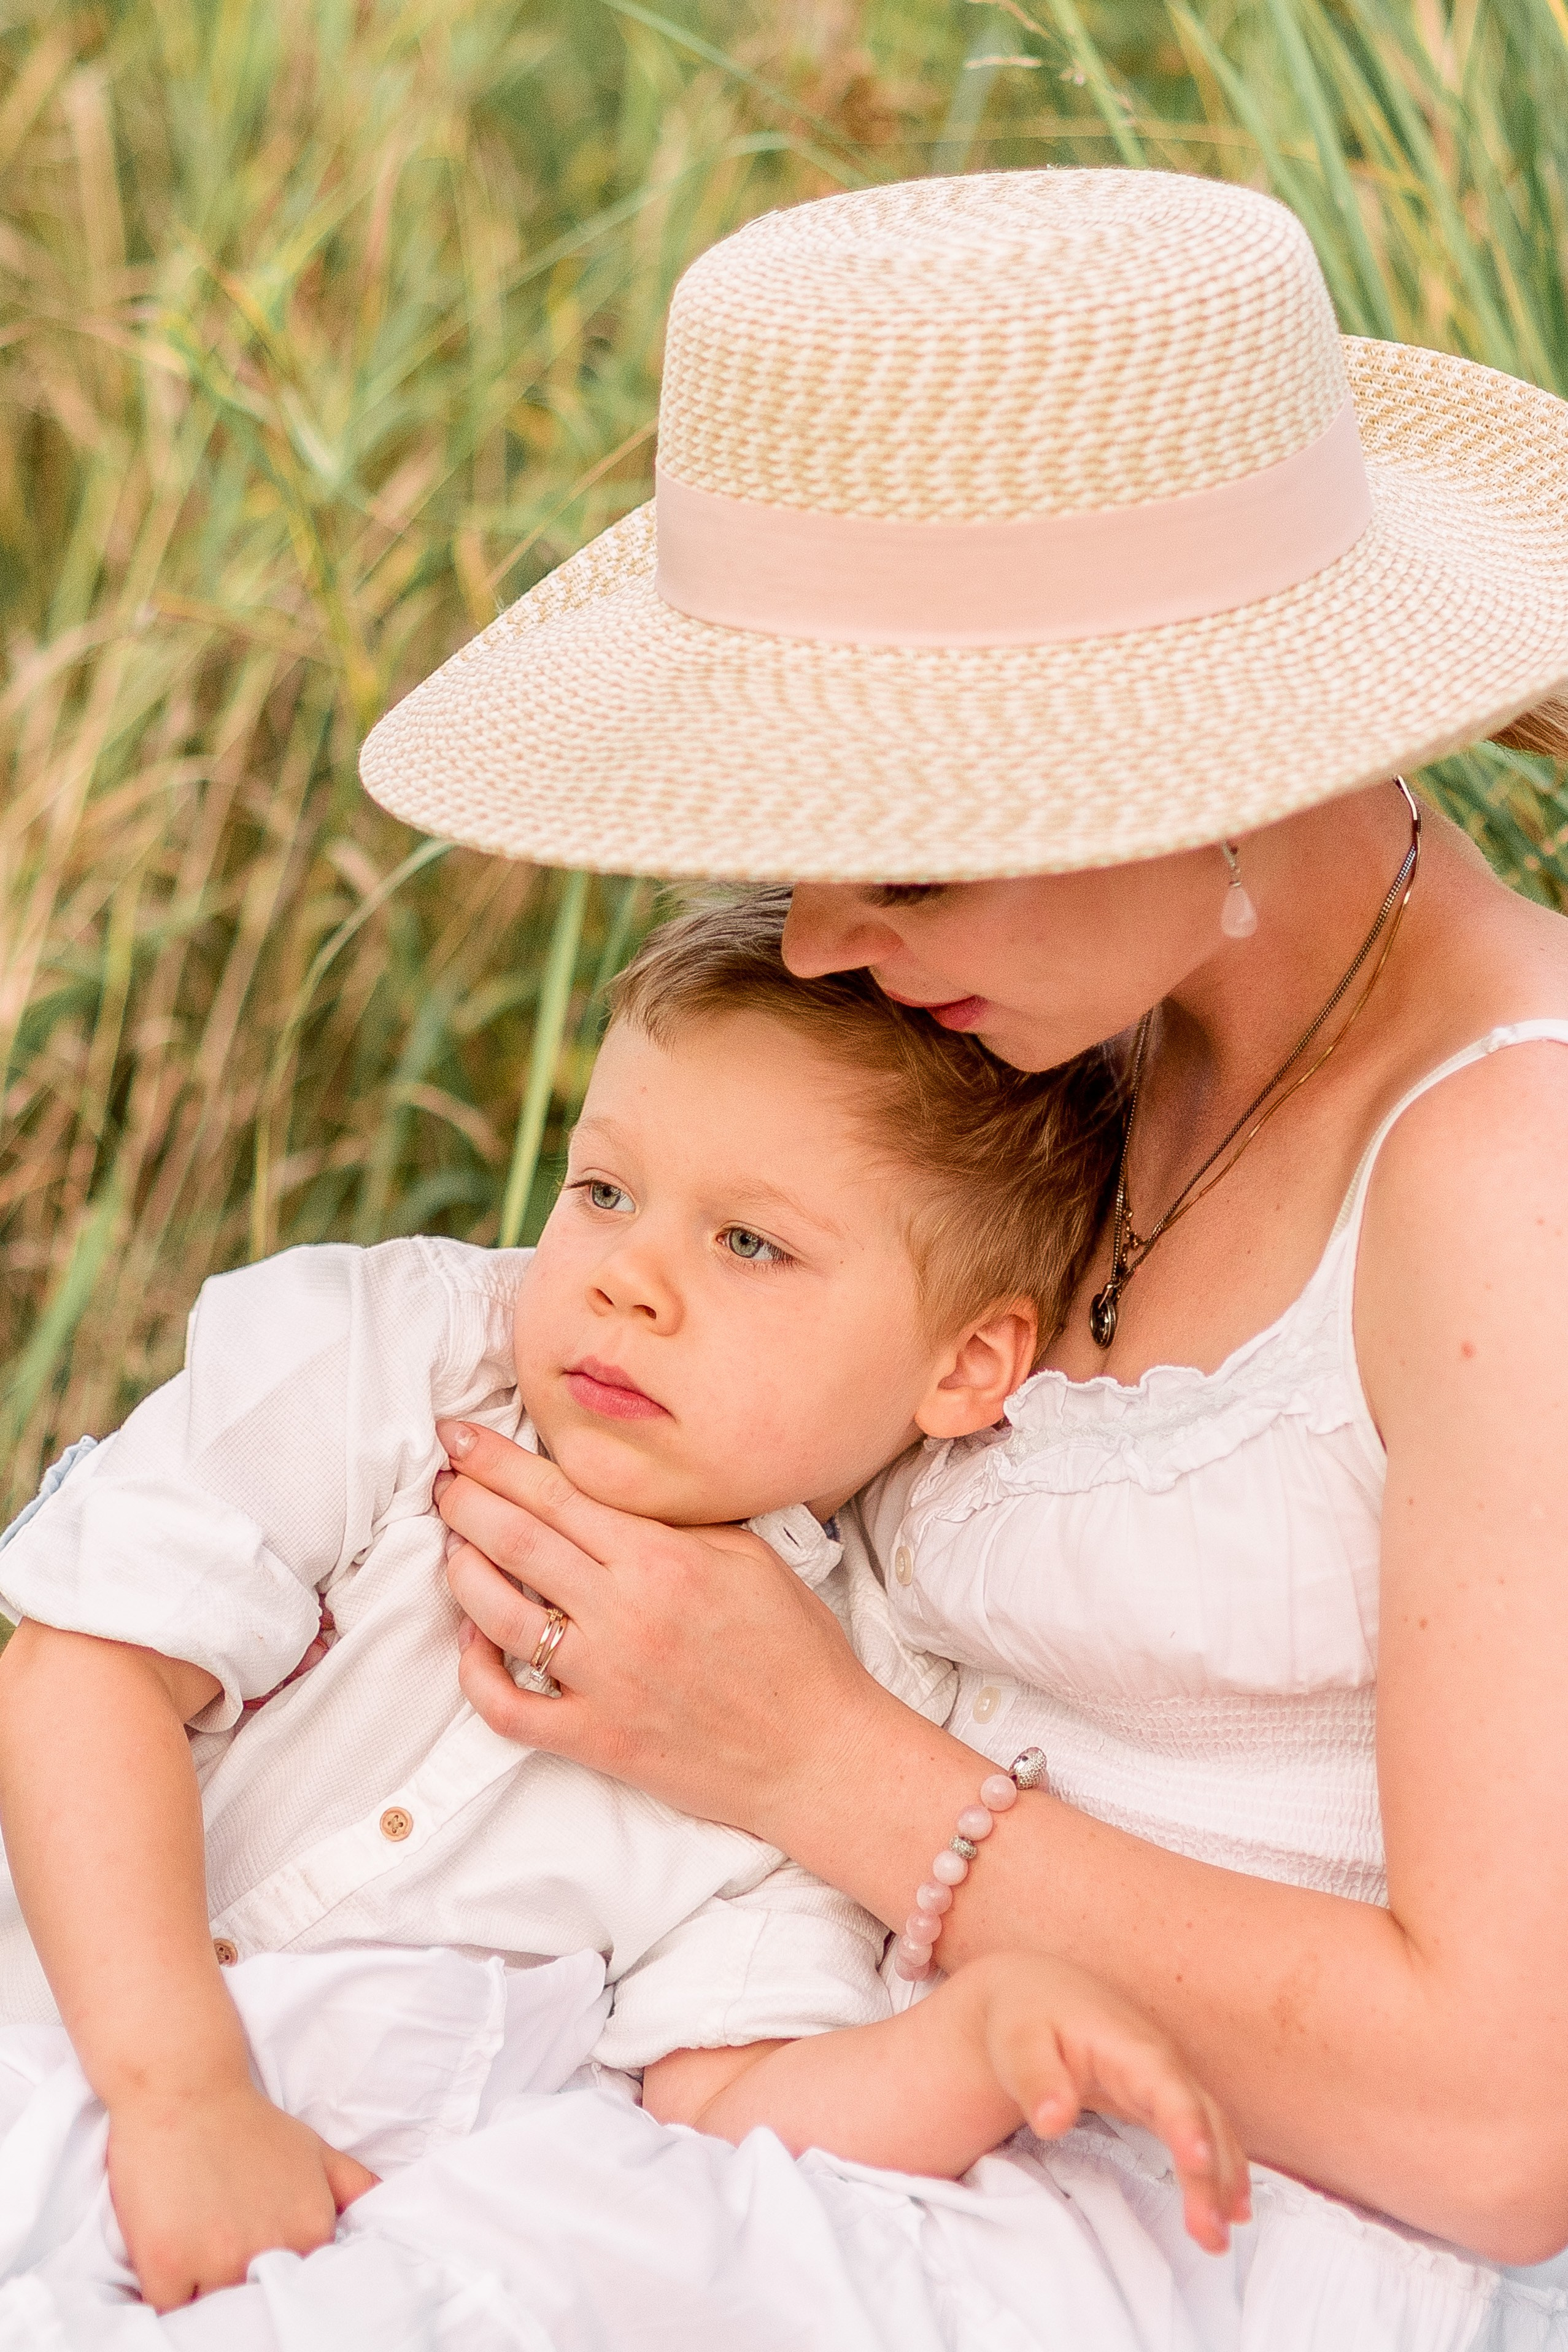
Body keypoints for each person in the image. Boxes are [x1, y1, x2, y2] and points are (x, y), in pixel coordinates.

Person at [353, 166, 1568, 2342]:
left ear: (1220, 757)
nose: (813, 941)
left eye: (901, 848)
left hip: (1208, 2224)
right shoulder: (1071, 1058)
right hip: (794, 2079)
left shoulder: (1508, 1170)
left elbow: (1506, 2127)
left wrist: (812, 1761)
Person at [0, 894, 1248, 2317]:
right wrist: (181, 2091)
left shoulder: (822, 1702)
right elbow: (78, 1672)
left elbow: (725, 2094)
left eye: (749, 1244)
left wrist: (979, 2045)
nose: (628, 1278)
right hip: (67, 2043)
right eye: (603, 1190)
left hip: (329, 2237)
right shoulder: (390, 1367)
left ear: (967, 1363)